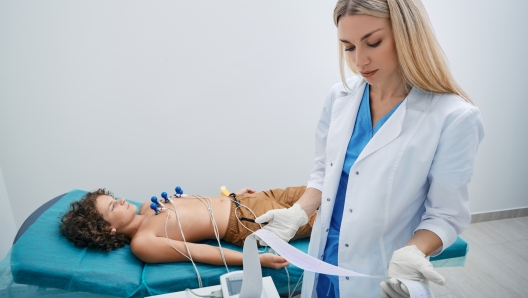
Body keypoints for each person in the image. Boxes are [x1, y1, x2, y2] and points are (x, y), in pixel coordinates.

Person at [253, 0, 485, 297]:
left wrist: (415, 251)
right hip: (324, 258)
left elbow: (446, 215)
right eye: (348, 47)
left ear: (408, 35)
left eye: (373, 43)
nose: (359, 61)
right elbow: (326, 170)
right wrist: (300, 211)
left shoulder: (453, 117)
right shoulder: (340, 97)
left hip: (382, 274)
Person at [59, 186, 316, 269]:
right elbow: (200, 252)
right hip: (246, 222)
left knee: (326, 187)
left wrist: (233, 196)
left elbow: (197, 205)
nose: (122, 201)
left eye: (114, 198)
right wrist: (255, 261)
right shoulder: (144, 241)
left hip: (247, 201)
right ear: (107, 230)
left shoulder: (147, 208)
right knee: (339, 217)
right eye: (113, 207)